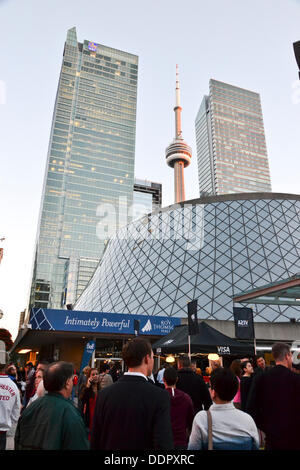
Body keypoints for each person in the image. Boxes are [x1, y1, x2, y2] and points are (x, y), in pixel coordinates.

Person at [91, 337, 174, 450]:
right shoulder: (159, 396)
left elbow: (95, 440)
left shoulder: (104, 395)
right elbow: (163, 444)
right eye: (152, 357)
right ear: (146, 359)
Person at [15, 361, 89, 450]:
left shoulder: (30, 408)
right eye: (72, 379)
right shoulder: (70, 413)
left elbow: (18, 440)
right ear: (67, 383)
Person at [188, 368, 259, 450]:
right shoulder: (248, 420)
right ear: (235, 391)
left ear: (213, 392)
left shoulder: (202, 419)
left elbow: (193, 448)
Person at [246, 342, 300, 450]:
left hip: (271, 438)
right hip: (294, 438)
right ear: (287, 356)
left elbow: (251, 408)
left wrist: (266, 427)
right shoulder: (296, 380)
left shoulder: (260, 379)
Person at [163, 367, 194, 450]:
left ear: (163, 380)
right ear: (177, 379)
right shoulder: (186, 398)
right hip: (181, 441)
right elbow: (191, 420)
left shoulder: (159, 397)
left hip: (163, 440)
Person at [0, 363, 21, 450]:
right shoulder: (13, 386)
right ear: (6, 367)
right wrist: (8, 421)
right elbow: (16, 411)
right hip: (3, 431)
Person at [80, 368, 100, 438]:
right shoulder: (86, 387)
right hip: (89, 418)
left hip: (98, 418)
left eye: (97, 374)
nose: (95, 376)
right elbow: (82, 400)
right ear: (89, 377)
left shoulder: (100, 388)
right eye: (93, 374)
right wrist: (88, 386)